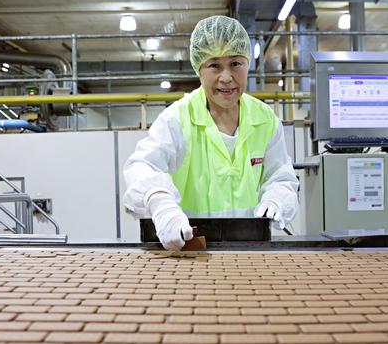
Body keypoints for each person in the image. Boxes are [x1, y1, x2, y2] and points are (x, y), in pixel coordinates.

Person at [123, 15, 298, 251]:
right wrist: (160, 202)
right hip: (190, 249)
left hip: (250, 250)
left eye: (236, 63)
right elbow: (141, 166)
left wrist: (277, 198)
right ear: (199, 69)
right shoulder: (178, 119)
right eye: (214, 65)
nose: (226, 77)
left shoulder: (265, 120)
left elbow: (281, 177)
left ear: (248, 64)